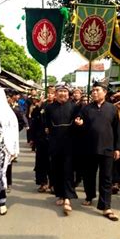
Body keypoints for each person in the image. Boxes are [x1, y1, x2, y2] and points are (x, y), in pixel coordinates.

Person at [75, 81, 120, 221]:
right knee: (89, 175)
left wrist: (117, 148)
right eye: (93, 90)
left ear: (105, 92)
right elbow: (80, 127)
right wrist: (79, 124)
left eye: (97, 90)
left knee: (106, 178)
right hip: (90, 148)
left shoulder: (112, 109)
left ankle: (105, 206)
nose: (94, 93)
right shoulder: (86, 108)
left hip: (107, 148)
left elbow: (117, 130)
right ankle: (89, 196)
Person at [44, 83, 79, 215]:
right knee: (56, 170)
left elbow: (79, 124)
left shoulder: (75, 107)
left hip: (70, 144)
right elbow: (47, 125)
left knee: (68, 170)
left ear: (68, 93)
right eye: (60, 91)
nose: (62, 94)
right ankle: (59, 194)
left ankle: (67, 198)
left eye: (65, 91)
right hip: (55, 143)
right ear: (56, 93)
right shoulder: (49, 108)